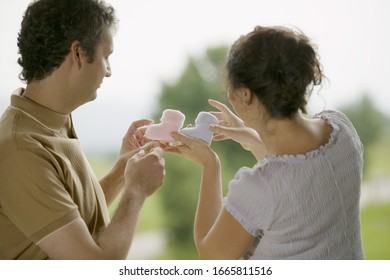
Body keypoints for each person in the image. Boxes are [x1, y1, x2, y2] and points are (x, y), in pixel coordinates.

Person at [166, 26, 365, 259]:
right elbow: (298, 180)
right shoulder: (342, 129)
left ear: (245, 94)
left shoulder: (258, 188)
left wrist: (210, 164)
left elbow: (212, 258)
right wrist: (252, 136)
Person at [0, 0, 165, 260]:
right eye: (106, 56)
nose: (108, 71)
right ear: (78, 53)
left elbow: (77, 218)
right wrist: (136, 191)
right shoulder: (20, 149)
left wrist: (123, 168)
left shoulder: (53, 121)